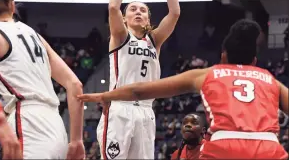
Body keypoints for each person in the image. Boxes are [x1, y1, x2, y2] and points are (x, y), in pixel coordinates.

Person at [78, 19, 289, 159]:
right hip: (268, 146)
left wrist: (104, 95)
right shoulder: (270, 80)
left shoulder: (207, 73)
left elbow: (139, 91)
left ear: (223, 55)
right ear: (254, 60)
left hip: (225, 145)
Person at [92, 0, 180, 159]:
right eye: (132, 9)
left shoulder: (154, 41)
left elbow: (175, 12)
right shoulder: (120, 36)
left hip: (146, 112)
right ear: (124, 19)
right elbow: (113, 7)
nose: (138, 12)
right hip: (120, 109)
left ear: (149, 20)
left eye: (143, 10)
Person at [0, 0, 85, 159]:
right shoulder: (34, 35)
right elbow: (75, 84)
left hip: (28, 122)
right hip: (56, 125)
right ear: (12, 6)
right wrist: (76, 140)